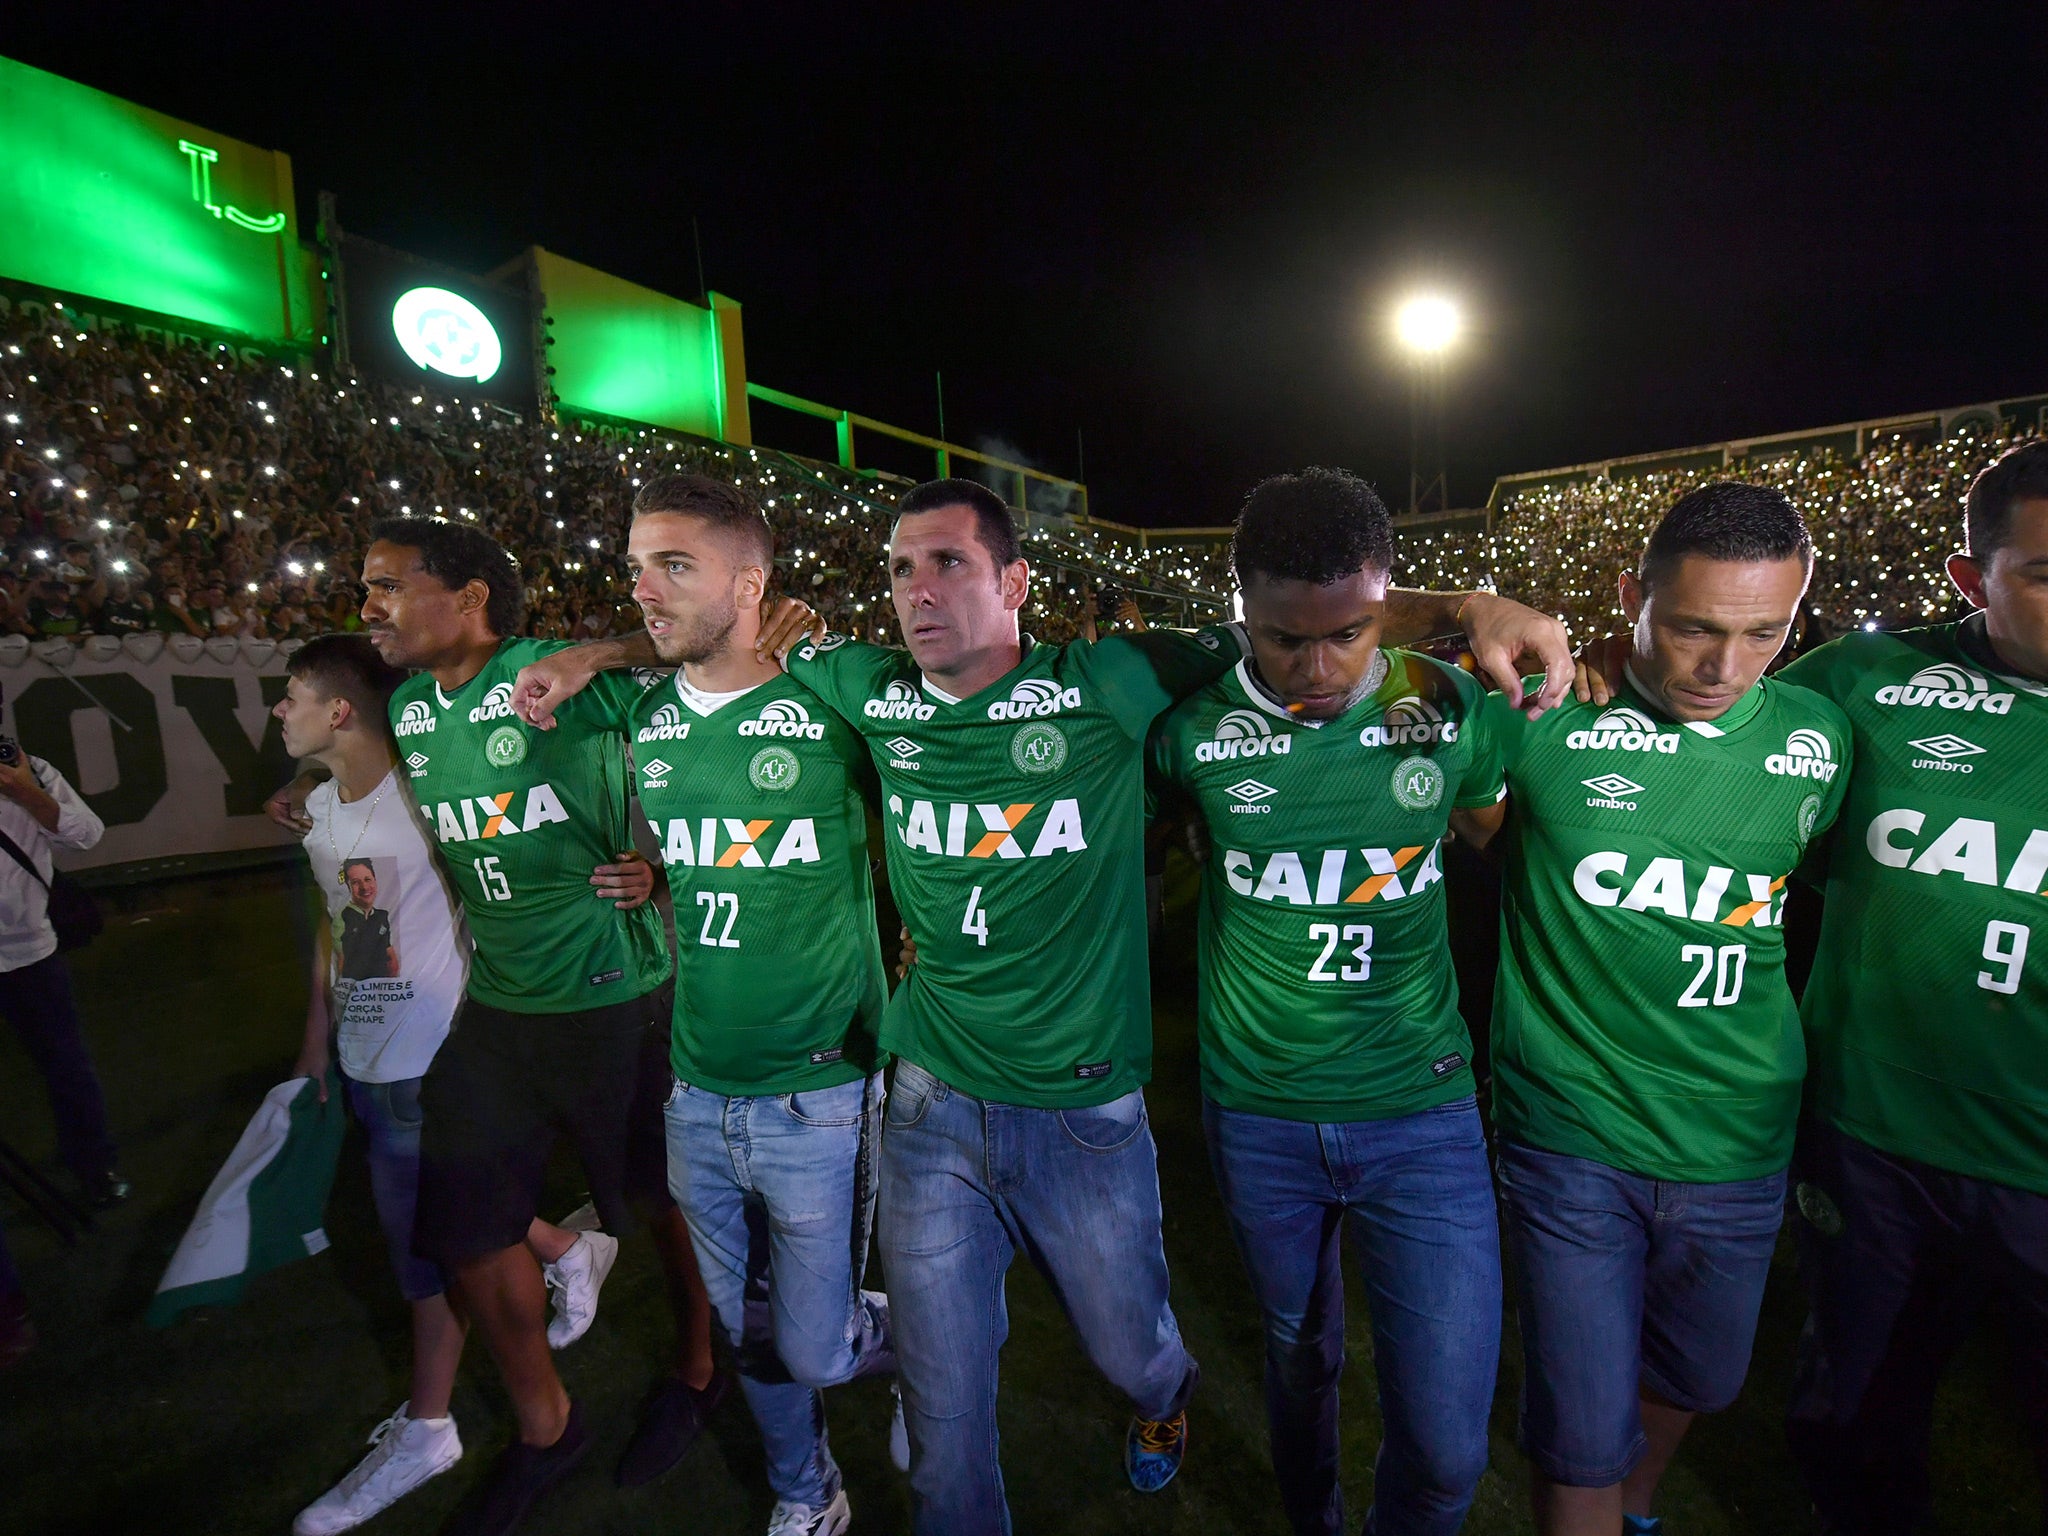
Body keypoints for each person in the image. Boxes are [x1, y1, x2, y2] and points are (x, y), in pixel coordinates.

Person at [512, 475, 1573, 1536]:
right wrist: (595, 653)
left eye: (948, 564)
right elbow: (710, 642)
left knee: (1132, 1351)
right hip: (929, 1107)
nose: (916, 590)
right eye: (897, 568)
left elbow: (1299, 615)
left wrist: (1470, 610)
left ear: (1015, 581)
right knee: (945, 1427)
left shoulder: (1112, 683)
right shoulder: (856, 685)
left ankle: (1164, 1400)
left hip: (1083, 1114)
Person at [1463, 482, 1852, 1536]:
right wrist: (1462, 605)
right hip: (1570, 1134)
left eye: (1761, 632)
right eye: (1691, 628)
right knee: (1577, 1430)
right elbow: (1354, 660)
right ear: (1627, 594)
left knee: (1700, 1379)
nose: (1724, 668)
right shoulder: (1539, 717)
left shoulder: (1820, 737)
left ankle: (1634, 1508)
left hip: (1739, 1136)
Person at [1148, 468, 1504, 1536]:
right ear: (1239, 612)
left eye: (1346, 634)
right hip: (1259, 1114)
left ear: (1385, 598)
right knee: (1301, 1357)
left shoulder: (1447, 708)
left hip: (1423, 1115)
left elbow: (1496, 836)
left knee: (1446, 1448)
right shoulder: (1190, 732)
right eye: (1280, 639)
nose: (1314, 668)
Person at [357, 518, 717, 1536]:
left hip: (615, 999)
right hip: (501, 1009)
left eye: (389, 585)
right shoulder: (414, 711)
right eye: (366, 588)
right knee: (467, 1229)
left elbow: (700, 648)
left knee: (660, 1204)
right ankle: (547, 1428)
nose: (371, 606)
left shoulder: (552, 673)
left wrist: (658, 864)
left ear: (470, 595)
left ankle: (698, 1370)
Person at [608, 473, 899, 1536]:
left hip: (818, 1087)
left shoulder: (832, 706)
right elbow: (668, 860)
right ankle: (804, 1489)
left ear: (750, 581)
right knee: (747, 1330)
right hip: (693, 1087)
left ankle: (912, 1343)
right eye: (637, 563)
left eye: (671, 564)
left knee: (814, 1344)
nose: (642, 586)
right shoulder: (646, 720)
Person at [1772, 440, 2048, 1532]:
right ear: (1969, 581)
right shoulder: (1860, 681)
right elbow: (1703, 764)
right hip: (1873, 1141)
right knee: (1857, 1430)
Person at [0, 740, 127, 1210]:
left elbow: (86, 834)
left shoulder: (30, 769)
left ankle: (94, 1166)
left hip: (30, 952)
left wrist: (27, 793)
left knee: (67, 1067)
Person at [335, 859, 399, 981]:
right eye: (355, 882)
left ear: (375, 881)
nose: (364, 887)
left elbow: (392, 960)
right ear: (348, 886)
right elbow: (341, 962)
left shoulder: (382, 916)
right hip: (358, 992)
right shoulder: (343, 917)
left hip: (384, 990)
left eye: (367, 879)